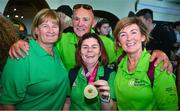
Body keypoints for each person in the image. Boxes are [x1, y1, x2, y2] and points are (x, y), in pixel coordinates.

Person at [8, 4, 172, 72]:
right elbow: (41, 43)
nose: (80, 24)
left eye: (85, 19)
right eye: (76, 19)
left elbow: (131, 50)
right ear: (72, 20)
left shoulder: (107, 43)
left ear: (93, 22)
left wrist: (156, 52)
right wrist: (22, 42)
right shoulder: (60, 40)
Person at [0, 9, 69, 110]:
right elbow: (6, 103)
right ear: (36, 30)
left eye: (55, 26)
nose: (51, 30)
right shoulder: (21, 55)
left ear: (59, 32)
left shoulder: (55, 51)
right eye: (45, 26)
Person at [113, 17, 178, 110]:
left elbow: (170, 108)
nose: (129, 38)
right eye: (123, 34)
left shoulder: (158, 65)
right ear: (119, 42)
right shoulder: (120, 62)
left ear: (143, 36)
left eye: (133, 32)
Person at [63, 33, 116, 110]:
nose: (89, 50)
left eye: (94, 47)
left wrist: (105, 97)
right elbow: (67, 102)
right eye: (85, 47)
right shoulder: (72, 73)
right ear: (80, 52)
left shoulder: (110, 75)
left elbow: (111, 109)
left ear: (100, 52)